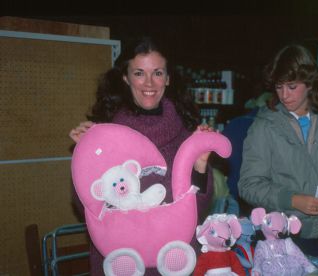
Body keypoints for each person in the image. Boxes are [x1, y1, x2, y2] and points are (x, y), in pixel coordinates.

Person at [69, 36, 215, 275]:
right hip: (122, 263)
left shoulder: (186, 134)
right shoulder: (104, 134)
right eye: (139, 73)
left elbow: (197, 211)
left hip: (176, 262)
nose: (149, 83)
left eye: (157, 73)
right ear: (125, 78)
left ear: (168, 78)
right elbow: (86, 205)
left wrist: (199, 165)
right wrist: (83, 156)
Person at [238, 44, 318, 256]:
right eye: (279, 87)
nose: (284, 95)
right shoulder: (264, 126)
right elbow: (248, 185)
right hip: (279, 240)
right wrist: (292, 200)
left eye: (292, 86)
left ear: (310, 84)